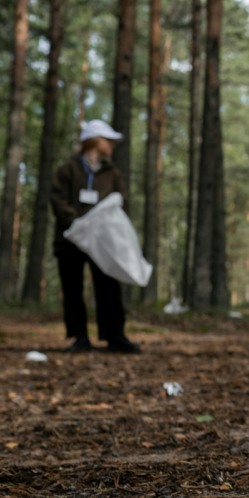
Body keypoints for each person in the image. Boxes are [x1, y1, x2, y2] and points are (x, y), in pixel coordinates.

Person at [51, 120, 141, 353]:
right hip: (70, 240)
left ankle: (115, 336)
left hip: (102, 242)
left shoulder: (111, 173)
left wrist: (102, 227)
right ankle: (79, 337)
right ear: (94, 141)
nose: (112, 145)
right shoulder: (68, 169)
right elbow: (58, 200)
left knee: (109, 286)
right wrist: (76, 224)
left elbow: (121, 202)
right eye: (108, 140)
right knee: (72, 289)